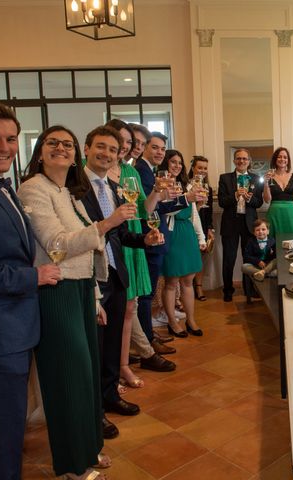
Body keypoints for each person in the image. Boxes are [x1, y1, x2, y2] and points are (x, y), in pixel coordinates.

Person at [19, 125, 118, 479]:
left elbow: (86, 255)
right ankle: (72, 468)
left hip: (79, 291)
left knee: (85, 377)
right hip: (56, 293)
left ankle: (88, 450)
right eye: (52, 143)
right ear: (40, 150)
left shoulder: (70, 193)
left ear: (75, 153)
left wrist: (94, 298)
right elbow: (58, 245)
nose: (60, 148)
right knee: (67, 381)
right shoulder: (32, 189)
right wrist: (107, 224)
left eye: (67, 144)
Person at [0, 102, 60, 480]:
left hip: (16, 325)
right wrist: (32, 278)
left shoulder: (4, 187)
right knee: (3, 431)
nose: (3, 147)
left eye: (11, 139)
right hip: (0, 332)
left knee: (10, 425)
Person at [81, 126, 163, 425]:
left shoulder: (114, 188)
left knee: (115, 338)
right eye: (100, 147)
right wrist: (111, 221)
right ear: (87, 148)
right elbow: (88, 233)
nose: (106, 154)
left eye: (113, 150)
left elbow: (121, 234)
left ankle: (111, 395)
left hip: (117, 272)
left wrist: (145, 240)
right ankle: (95, 412)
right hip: (92, 275)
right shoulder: (76, 188)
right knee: (97, 344)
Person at [105, 119, 173, 392]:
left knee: (130, 306)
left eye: (130, 143)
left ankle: (123, 364)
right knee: (117, 308)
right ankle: (122, 364)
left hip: (133, 236)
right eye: (122, 141)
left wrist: (157, 192)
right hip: (113, 240)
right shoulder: (99, 173)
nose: (126, 147)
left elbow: (145, 209)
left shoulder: (130, 174)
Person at [134, 131, 188, 340]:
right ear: (145, 147)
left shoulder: (150, 171)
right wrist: (184, 199)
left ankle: (149, 336)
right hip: (150, 236)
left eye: (162, 148)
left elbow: (159, 205)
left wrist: (183, 199)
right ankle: (148, 340)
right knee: (146, 294)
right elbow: (152, 209)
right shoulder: (142, 171)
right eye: (154, 147)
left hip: (156, 235)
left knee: (148, 292)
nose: (159, 152)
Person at [160, 149, 206, 337]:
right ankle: (171, 320)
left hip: (187, 232)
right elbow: (164, 211)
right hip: (172, 232)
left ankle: (190, 319)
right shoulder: (161, 185)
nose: (177, 165)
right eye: (173, 162)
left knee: (188, 279)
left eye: (180, 162)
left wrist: (201, 237)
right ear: (165, 164)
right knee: (171, 281)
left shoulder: (187, 185)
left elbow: (194, 214)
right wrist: (184, 199)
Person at [218, 148, 263, 302]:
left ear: (249, 161)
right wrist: (236, 195)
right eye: (238, 158)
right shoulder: (224, 178)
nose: (241, 161)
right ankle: (228, 291)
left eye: (244, 159)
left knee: (249, 259)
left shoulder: (256, 179)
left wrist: (250, 199)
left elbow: (259, 202)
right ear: (234, 160)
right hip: (230, 223)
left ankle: (249, 290)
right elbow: (222, 202)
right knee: (228, 259)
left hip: (249, 224)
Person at [189, 155, 214, 302]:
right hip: (188, 225)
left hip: (203, 225)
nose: (202, 171)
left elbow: (208, 211)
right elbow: (189, 211)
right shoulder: (186, 186)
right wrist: (197, 205)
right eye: (200, 167)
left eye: (205, 168)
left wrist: (210, 228)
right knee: (188, 257)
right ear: (193, 168)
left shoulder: (207, 188)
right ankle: (186, 287)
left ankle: (198, 286)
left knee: (200, 257)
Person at [263, 147, 293, 235]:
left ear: (288, 160)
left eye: (285, 157)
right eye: (279, 157)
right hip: (274, 214)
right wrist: (265, 183)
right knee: (273, 243)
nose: (282, 159)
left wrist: (288, 205)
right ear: (275, 159)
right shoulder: (269, 177)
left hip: (291, 214)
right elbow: (267, 200)